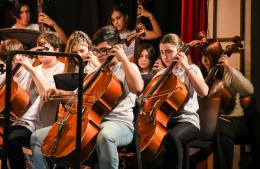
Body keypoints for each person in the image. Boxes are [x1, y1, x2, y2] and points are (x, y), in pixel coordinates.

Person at [30, 25, 143, 169]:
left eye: (105, 50)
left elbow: (138, 88)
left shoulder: (127, 67)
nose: (100, 54)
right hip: (89, 122)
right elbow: (77, 98)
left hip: (119, 123)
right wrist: (58, 93)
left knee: (105, 136)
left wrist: (124, 59)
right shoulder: (95, 72)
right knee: (38, 137)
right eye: (97, 50)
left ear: (117, 48)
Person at [6, 32, 64, 169]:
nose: (41, 51)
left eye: (45, 48)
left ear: (56, 50)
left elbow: (47, 95)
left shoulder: (62, 69)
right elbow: (20, 93)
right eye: (39, 47)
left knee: (12, 138)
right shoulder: (34, 68)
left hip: (47, 123)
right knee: (9, 138)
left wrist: (32, 69)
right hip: (28, 122)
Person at [153, 33, 208, 169]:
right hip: (166, 121)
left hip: (188, 121)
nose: (165, 57)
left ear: (179, 51)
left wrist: (186, 67)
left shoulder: (192, 69)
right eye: (162, 52)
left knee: (172, 137)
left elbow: (204, 92)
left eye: (169, 52)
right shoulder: (161, 74)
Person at [199, 39, 255, 169]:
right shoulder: (205, 76)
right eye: (203, 56)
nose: (205, 61)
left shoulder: (229, 74)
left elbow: (249, 90)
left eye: (208, 56)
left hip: (234, 120)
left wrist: (229, 67)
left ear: (217, 56)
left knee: (220, 128)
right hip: (214, 121)